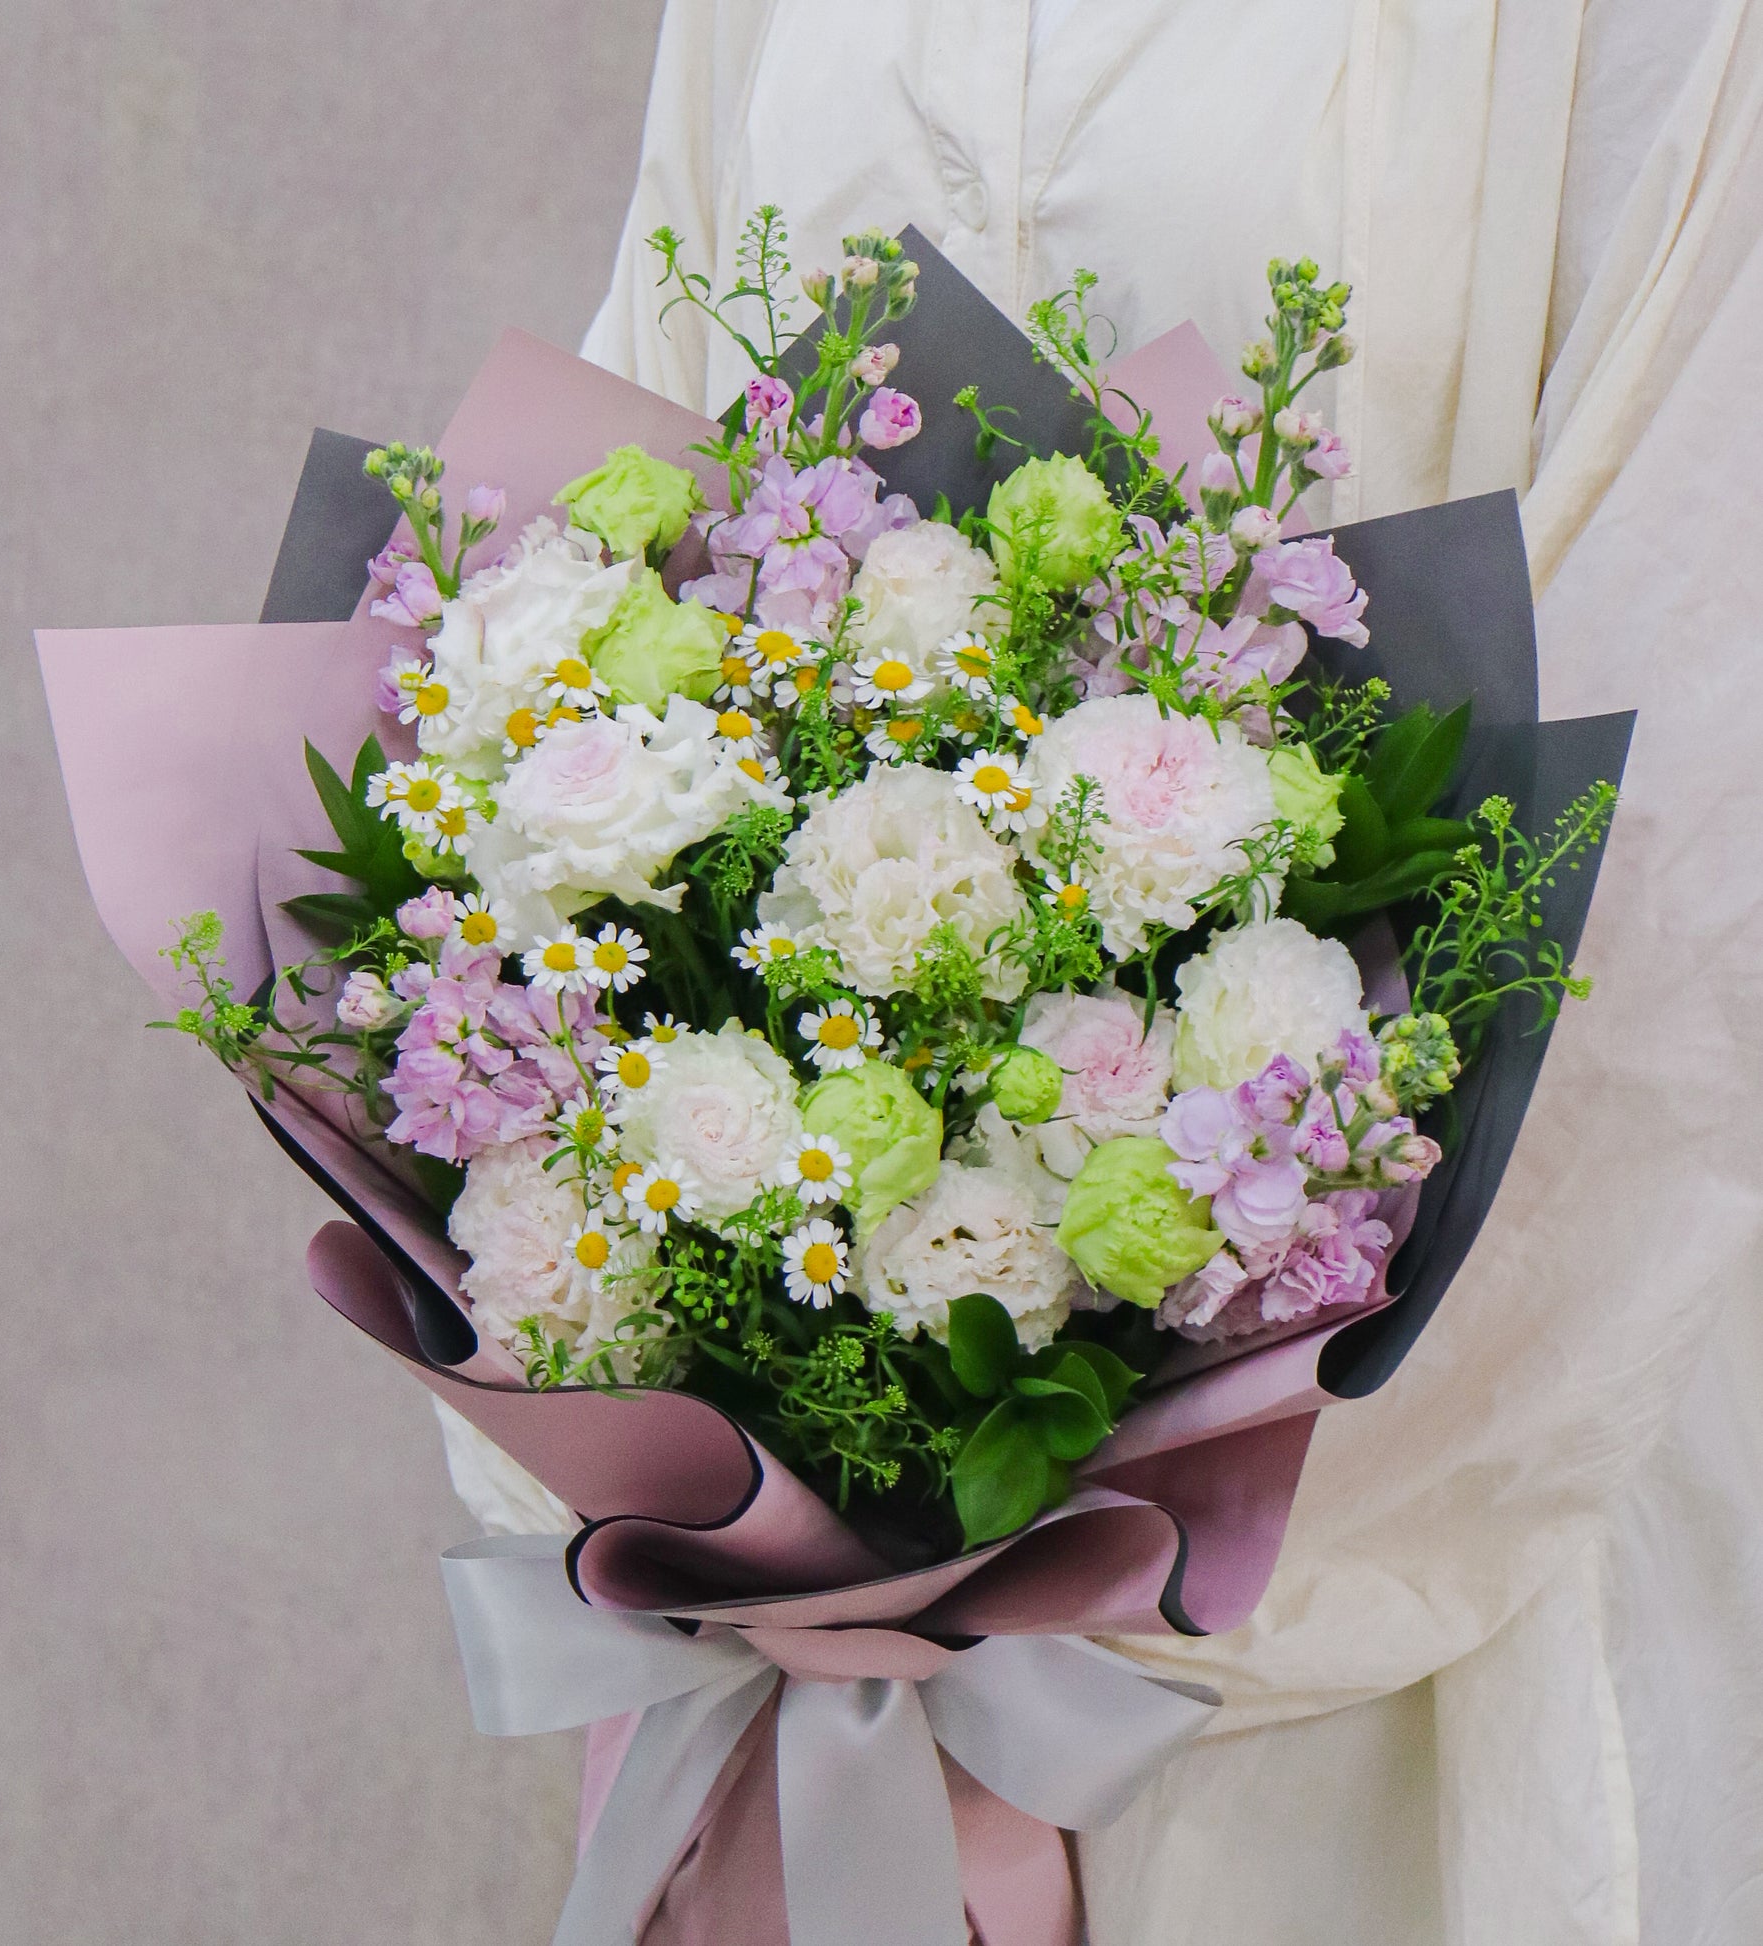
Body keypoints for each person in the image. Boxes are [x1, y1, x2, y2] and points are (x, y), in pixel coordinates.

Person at [445, 5, 1763, 1937]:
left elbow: (1672, 809)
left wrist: (1056, 1649)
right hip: (810, 1549)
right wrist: (749, 1530)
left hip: (1405, 1528)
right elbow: (645, 545)